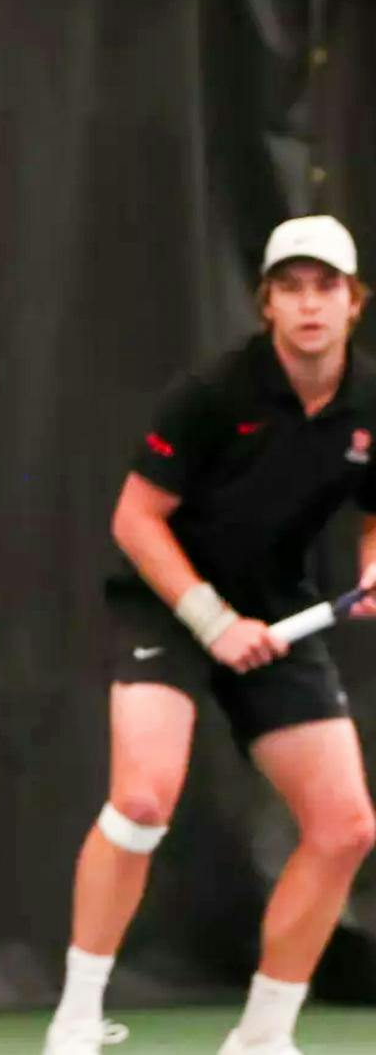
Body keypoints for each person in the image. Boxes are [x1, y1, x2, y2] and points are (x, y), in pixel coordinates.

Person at [43, 215, 376, 1055]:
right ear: (266, 303)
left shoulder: (370, 403)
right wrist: (212, 621)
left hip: (279, 605)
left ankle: (263, 1037)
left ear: (353, 303)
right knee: (144, 798)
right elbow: (134, 518)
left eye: (326, 287)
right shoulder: (212, 393)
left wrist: (374, 566)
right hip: (169, 604)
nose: (310, 304)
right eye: (291, 287)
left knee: (346, 828)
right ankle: (78, 1017)